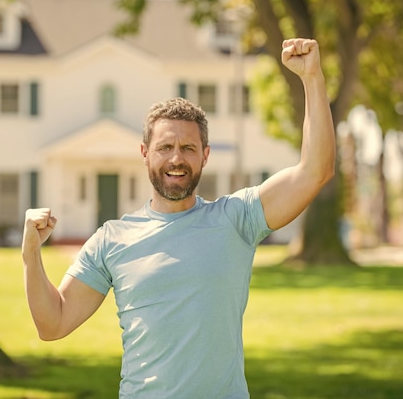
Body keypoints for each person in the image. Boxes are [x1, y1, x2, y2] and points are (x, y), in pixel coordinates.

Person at [22, 38, 335, 398]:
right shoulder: (112, 239)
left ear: (205, 155)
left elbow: (316, 171)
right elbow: (53, 324)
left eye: (188, 148)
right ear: (144, 153)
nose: (176, 159)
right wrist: (31, 254)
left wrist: (312, 77)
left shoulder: (237, 219)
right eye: (165, 148)